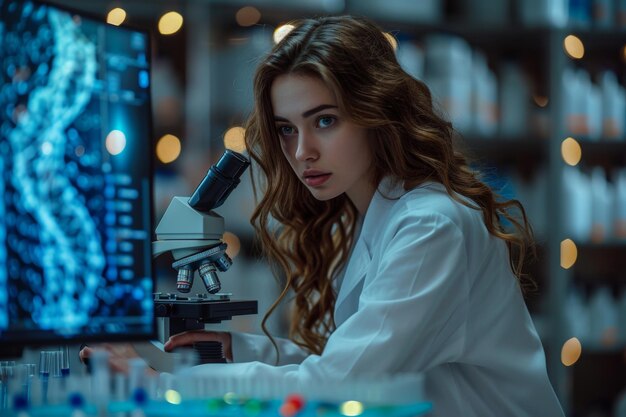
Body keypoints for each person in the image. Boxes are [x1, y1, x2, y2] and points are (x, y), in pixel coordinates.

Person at [81, 15, 565, 416]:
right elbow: (352, 360)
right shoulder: (366, 216)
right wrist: (237, 350)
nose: (302, 151)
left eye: (325, 121)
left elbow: (337, 384)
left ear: (379, 111)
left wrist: (161, 382)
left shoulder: (430, 226)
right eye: (286, 129)